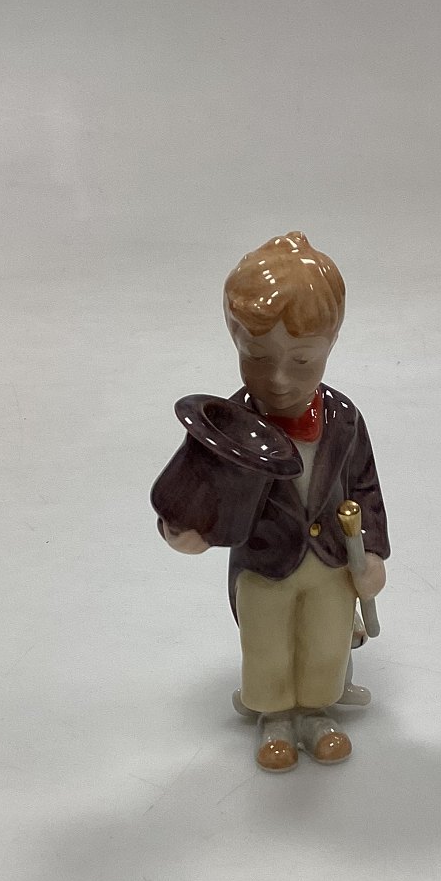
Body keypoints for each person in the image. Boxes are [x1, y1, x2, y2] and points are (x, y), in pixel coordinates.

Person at [160, 231, 389, 771]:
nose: (279, 379)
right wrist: (185, 531)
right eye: (257, 358)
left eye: (303, 359)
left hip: (332, 563)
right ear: (235, 342)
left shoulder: (343, 419)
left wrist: (373, 551)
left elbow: (365, 486)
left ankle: (316, 710)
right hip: (264, 563)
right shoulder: (227, 426)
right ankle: (276, 716)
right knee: (266, 645)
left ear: (332, 344)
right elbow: (191, 492)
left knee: (326, 642)